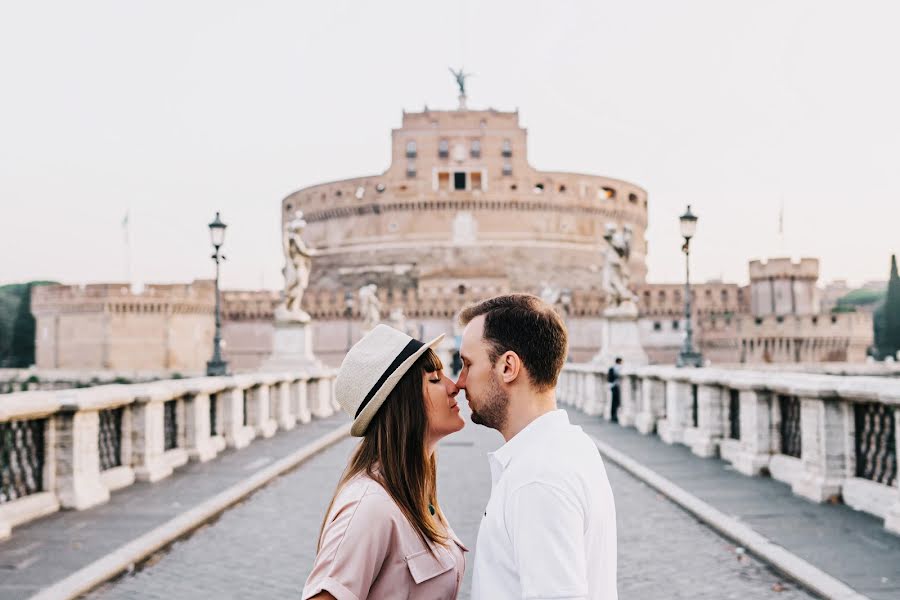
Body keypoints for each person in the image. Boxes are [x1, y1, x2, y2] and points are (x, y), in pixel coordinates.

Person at [456, 294, 618, 599]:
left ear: (508, 367)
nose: (460, 382)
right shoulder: (574, 445)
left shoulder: (536, 479)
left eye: (467, 364)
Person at [302, 324, 468, 600]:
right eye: (435, 380)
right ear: (404, 401)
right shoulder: (370, 506)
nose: (453, 387)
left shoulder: (413, 492)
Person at [607, 357, 623, 424]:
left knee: (613, 402)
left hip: (612, 386)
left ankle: (613, 416)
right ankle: (614, 416)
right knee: (616, 402)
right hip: (616, 386)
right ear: (619, 362)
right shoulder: (618, 368)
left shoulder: (612, 368)